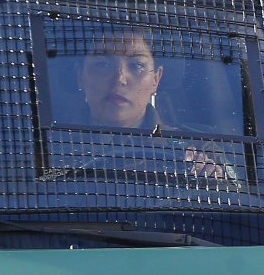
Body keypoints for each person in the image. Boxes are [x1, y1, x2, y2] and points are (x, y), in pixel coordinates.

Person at [77, 30, 229, 180]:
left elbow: (239, 196)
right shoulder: (56, 144)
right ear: (81, 77)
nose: (120, 79)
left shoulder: (198, 147)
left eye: (136, 66)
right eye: (103, 64)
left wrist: (211, 177)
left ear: (156, 78)